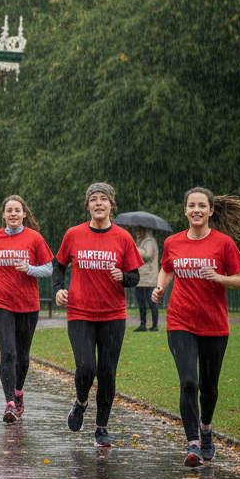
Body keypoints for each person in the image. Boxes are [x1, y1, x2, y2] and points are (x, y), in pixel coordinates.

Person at [152, 189, 240, 467]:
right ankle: (192, 443)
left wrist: (218, 277)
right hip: (180, 321)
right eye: (191, 205)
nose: (196, 209)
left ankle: (206, 429)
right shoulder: (173, 242)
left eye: (201, 205)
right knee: (189, 382)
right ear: (185, 210)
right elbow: (167, 268)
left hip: (214, 325)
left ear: (211, 211)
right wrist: (160, 287)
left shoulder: (224, 243)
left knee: (209, 387)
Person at [53, 182, 142, 448]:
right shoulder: (74, 234)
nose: (99, 203)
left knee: (107, 373)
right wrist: (59, 289)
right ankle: (81, 402)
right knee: (86, 368)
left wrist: (123, 277)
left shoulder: (123, 238)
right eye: (94, 199)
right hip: (79, 312)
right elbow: (58, 266)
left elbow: (135, 277)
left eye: (104, 199)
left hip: (113, 315)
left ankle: (101, 428)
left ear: (112, 205)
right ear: (88, 205)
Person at [0, 195, 53, 423]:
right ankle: (9, 401)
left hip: (28, 304)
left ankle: (18, 391)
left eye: (17, 210)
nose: (12, 214)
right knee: (8, 352)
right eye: (8, 210)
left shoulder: (34, 238)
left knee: (22, 355)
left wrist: (30, 269)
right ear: (3, 214)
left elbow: (49, 268)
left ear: (23, 214)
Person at [132, 226, 161, 332]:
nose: (137, 233)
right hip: (140, 278)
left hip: (149, 278)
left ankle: (154, 325)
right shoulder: (140, 243)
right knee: (141, 302)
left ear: (144, 231)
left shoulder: (150, 242)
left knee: (151, 301)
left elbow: (148, 254)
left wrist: (135, 248)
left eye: (139, 231)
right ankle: (143, 324)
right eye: (137, 231)